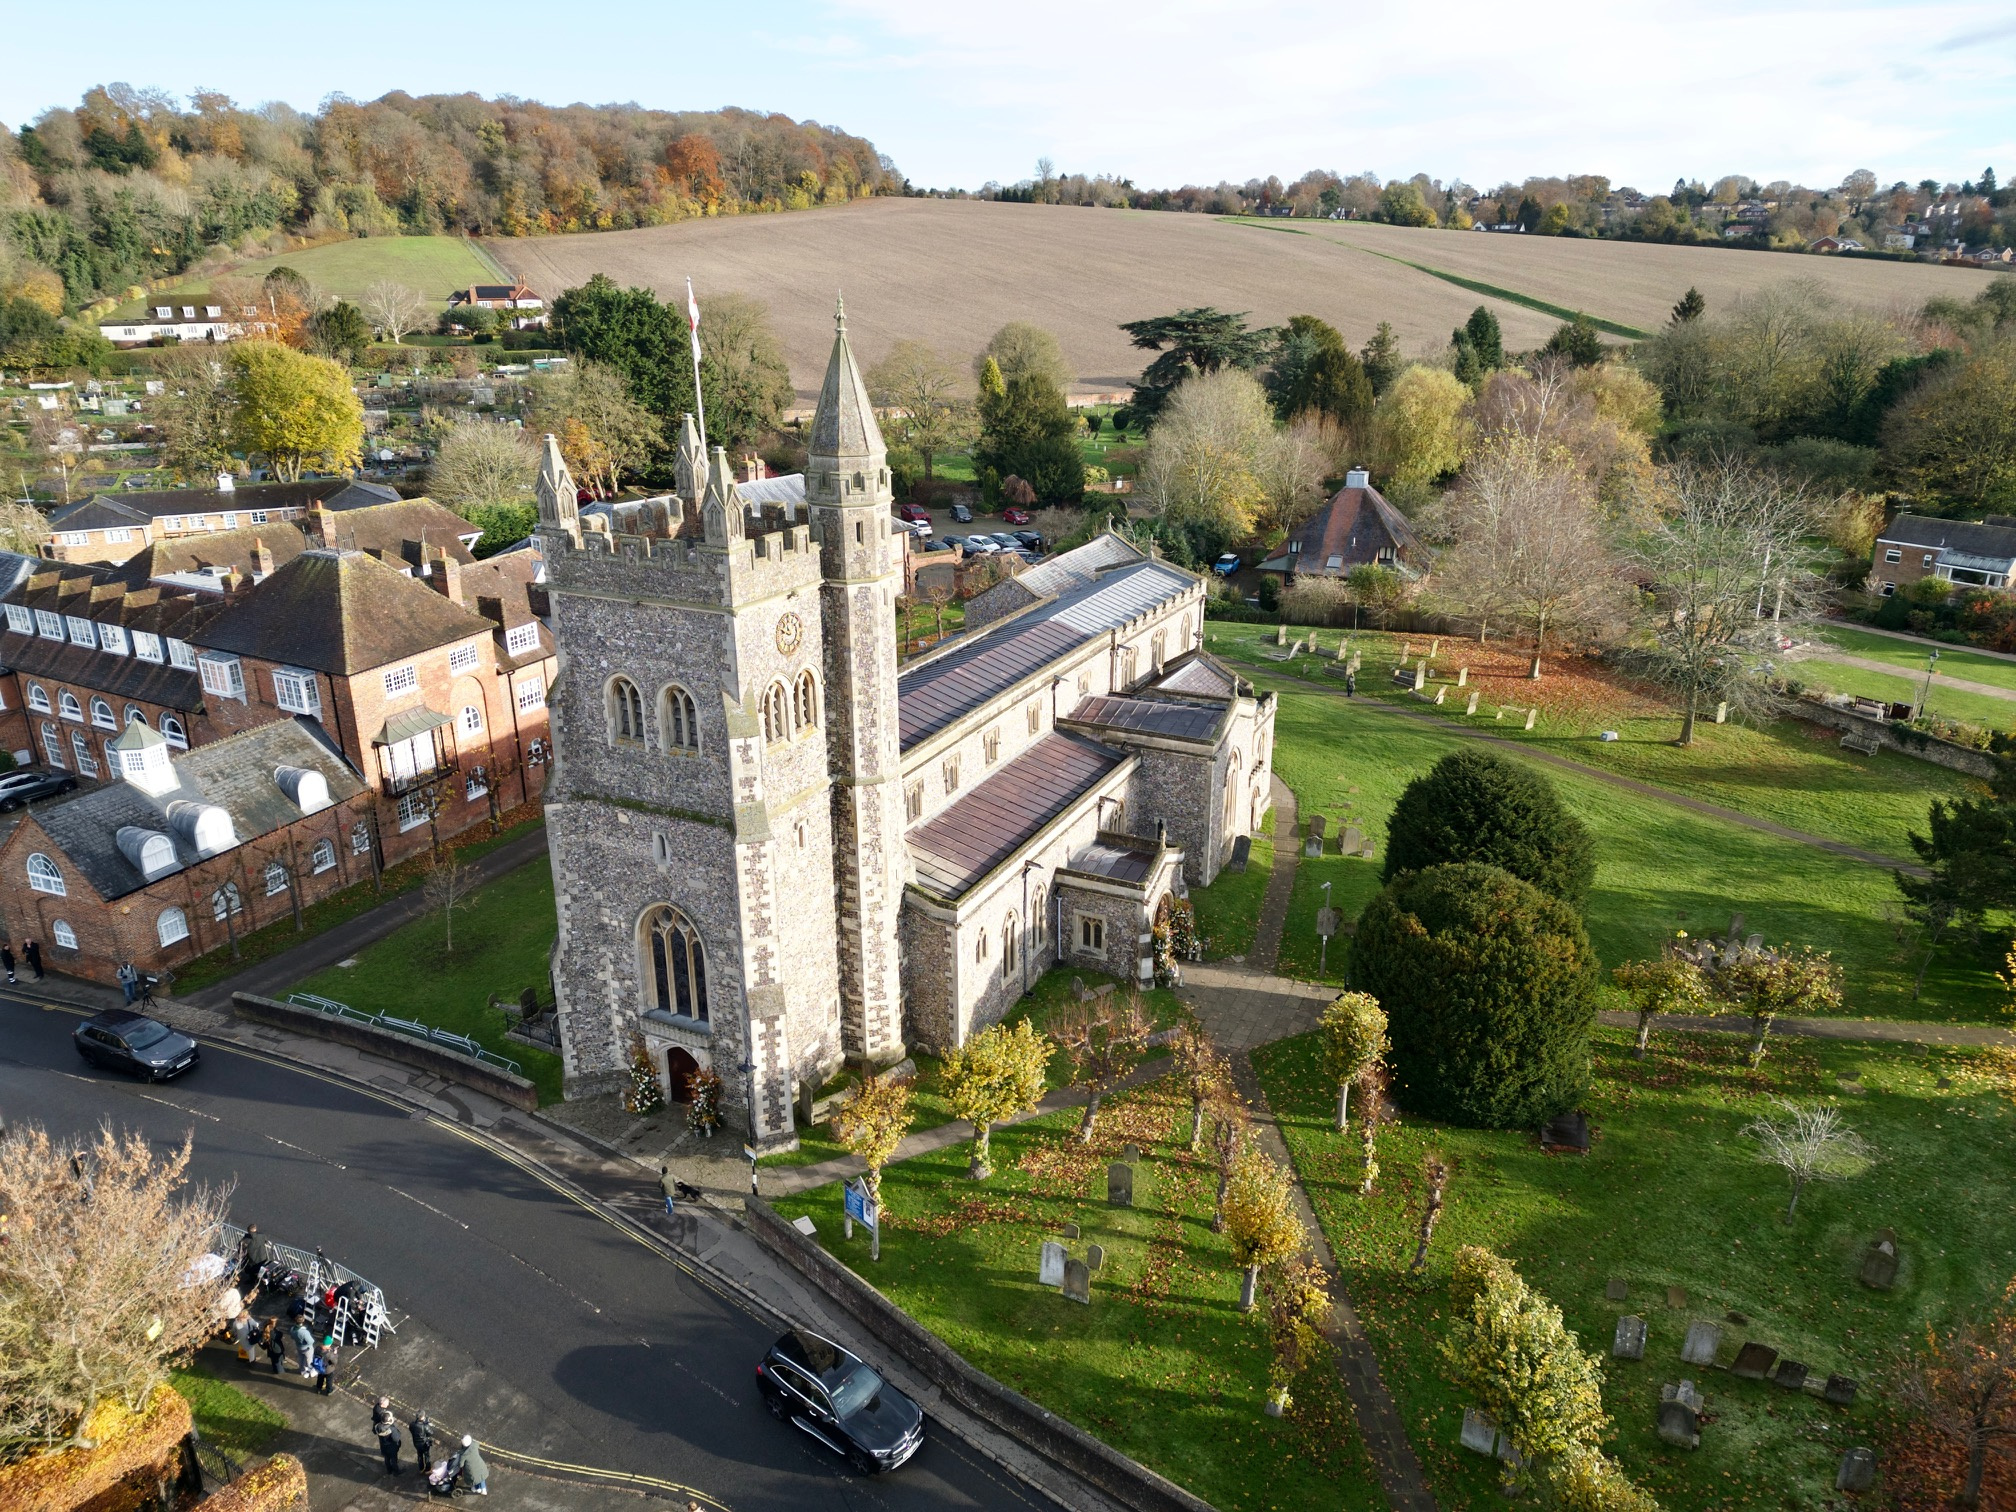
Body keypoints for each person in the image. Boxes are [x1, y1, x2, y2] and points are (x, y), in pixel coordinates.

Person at [371, 1397, 402, 1474]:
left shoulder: (377, 1427)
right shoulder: (392, 1429)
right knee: (394, 1460)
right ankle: (396, 1472)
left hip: (384, 1446)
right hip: (391, 1447)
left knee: (387, 1458)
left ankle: (389, 1470)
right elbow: (396, 1438)